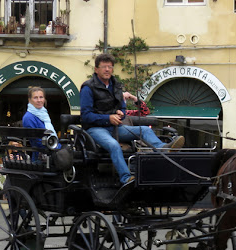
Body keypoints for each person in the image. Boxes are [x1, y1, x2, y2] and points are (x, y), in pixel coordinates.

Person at [80, 53, 184, 185]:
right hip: (95, 129)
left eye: (110, 67)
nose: (107, 70)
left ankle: (163, 149)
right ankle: (126, 178)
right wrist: (108, 118)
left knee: (145, 130)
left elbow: (122, 108)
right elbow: (86, 115)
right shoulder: (88, 88)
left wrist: (120, 113)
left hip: (115, 127)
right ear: (96, 69)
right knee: (113, 145)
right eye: (104, 67)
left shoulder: (116, 85)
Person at [22, 86, 61, 152]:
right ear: (29, 100)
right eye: (35, 98)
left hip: (51, 150)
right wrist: (57, 147)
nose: (39, 100)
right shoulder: (29, 117)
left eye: (41, 97)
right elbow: (36, 142)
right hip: (42, 155)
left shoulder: (44, 114)